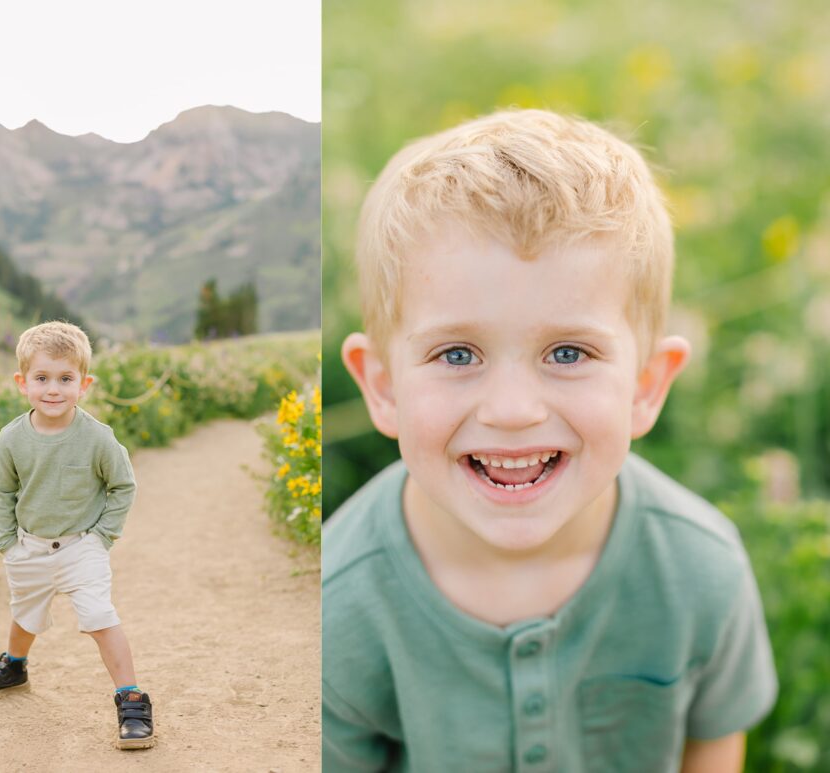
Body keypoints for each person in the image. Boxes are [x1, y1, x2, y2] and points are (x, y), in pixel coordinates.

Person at [322, 109, 777, 772]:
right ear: (383, 386)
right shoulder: (341, 607)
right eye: (456, 353)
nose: (511, 410)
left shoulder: (700, 567)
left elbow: (712, 746)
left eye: (567, 351)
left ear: (647, 386)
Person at [0, 321, 154, 750]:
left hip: (81, 545)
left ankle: (131, 698)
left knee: (99, 617)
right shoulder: (12, 438)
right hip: (28, 545)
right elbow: (2, 489)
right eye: (42, 378)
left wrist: (103, 536)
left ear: (84, 384)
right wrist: (8, 541)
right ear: (22, 382)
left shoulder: (97, 438)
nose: (54, 389)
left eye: (66, 379)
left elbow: (122, 485)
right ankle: (14, 667)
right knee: (24, 612)